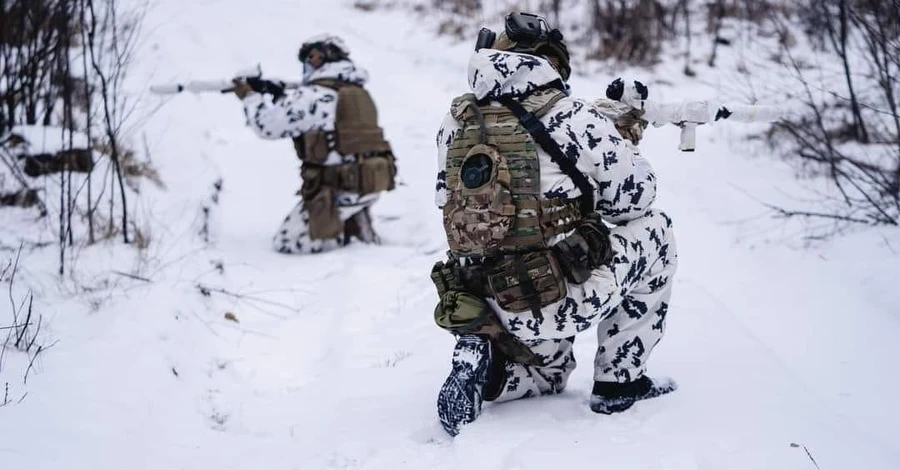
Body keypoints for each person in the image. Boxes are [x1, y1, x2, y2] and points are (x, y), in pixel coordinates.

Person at [430, 12, 678, 436]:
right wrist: (619, 140)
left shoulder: (458, 120)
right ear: (552, 63)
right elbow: (634, 200)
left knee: (551, 374)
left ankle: (489, 368)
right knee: (657, 229)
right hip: (550, 294)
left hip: (483, 301)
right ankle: (620, 381)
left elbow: (444, 199)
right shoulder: (576, 117)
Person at [233, 34, 396, 254]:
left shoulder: (315, 94)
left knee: (286, 242)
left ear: (319, 57)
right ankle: (353, 222)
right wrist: (281, 97)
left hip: (337, 189)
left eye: (308, 58)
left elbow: (268, 126)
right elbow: (313, 123)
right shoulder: (357, 92)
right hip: (369, 182)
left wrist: (250, 96)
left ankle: (343, 241)